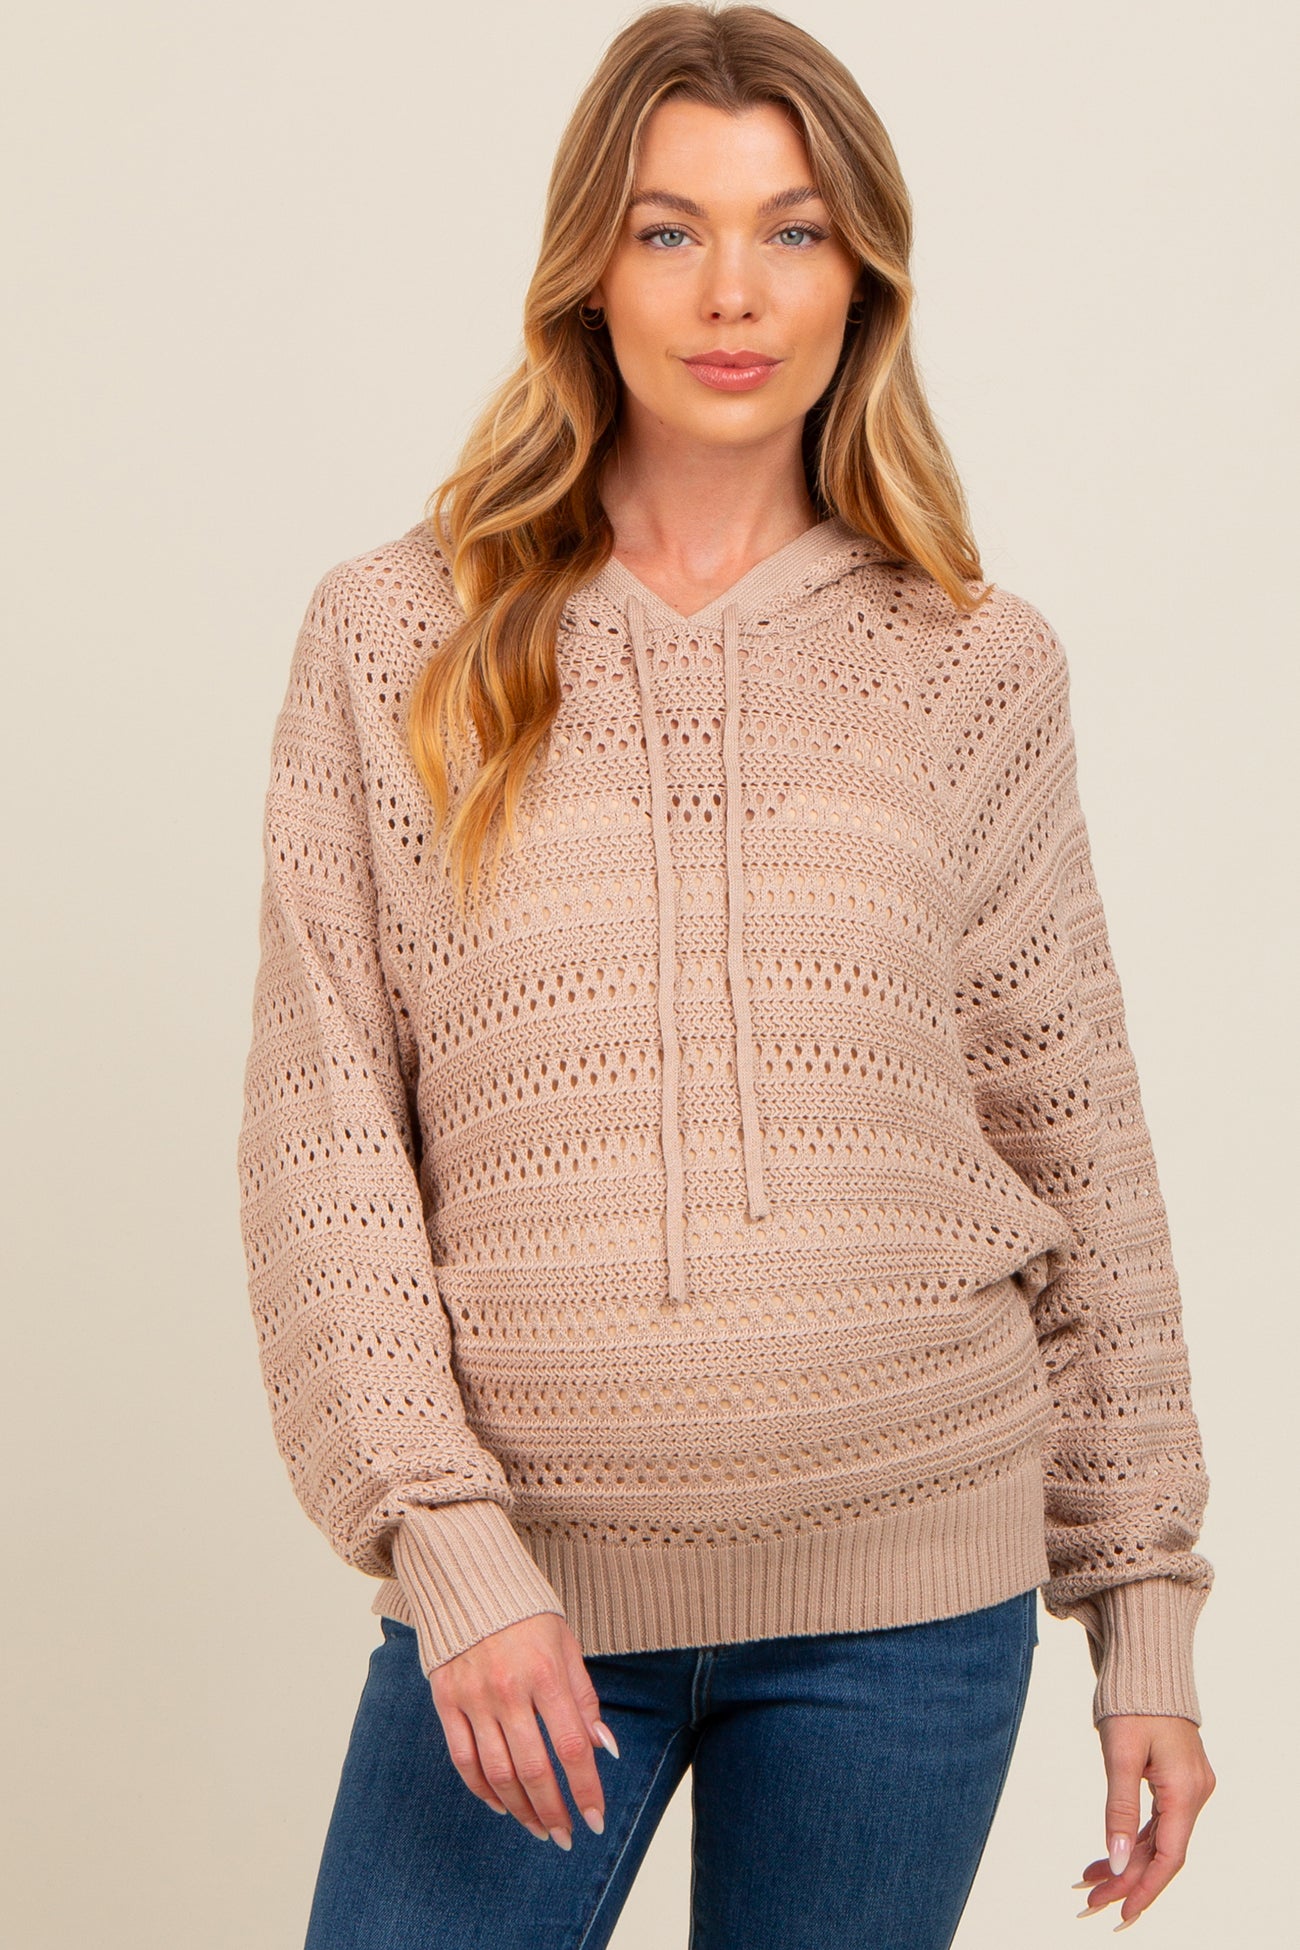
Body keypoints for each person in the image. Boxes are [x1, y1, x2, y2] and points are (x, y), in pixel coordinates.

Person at [236, 6, 1216, 1945]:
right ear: (588, 272)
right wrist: (448, 1541)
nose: (732, 292)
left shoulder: (972, 662)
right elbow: (324, 1133)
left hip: (905, 1614)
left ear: (862, 276)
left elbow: (1074, 1137)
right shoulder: (397, 638)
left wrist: (1145, 1612)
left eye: (791, 230)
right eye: (669, 230)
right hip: (523, 1597)